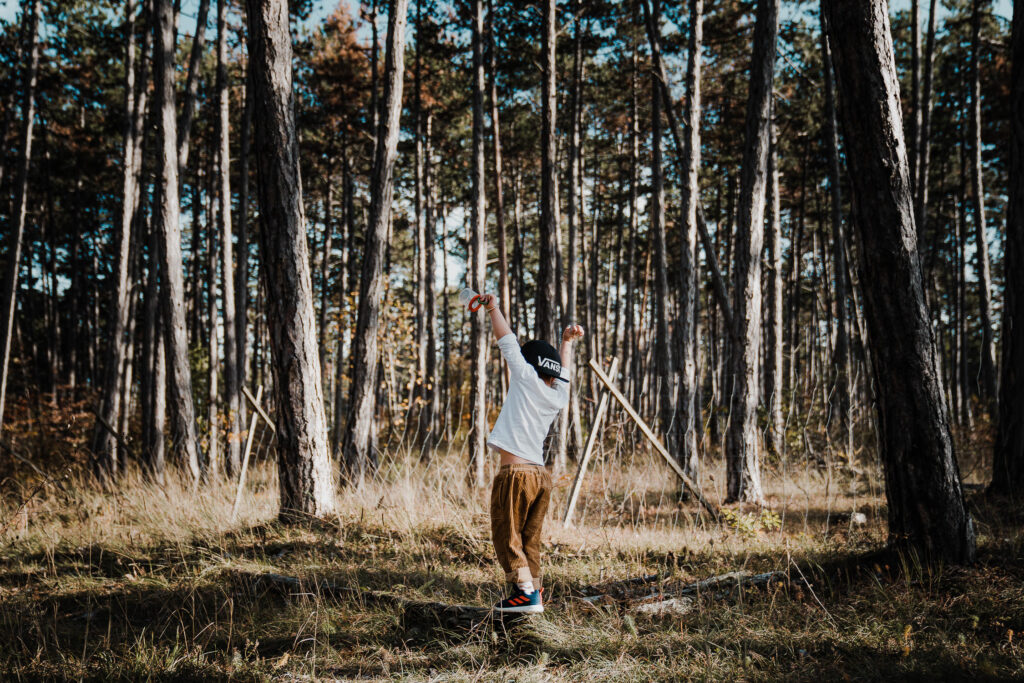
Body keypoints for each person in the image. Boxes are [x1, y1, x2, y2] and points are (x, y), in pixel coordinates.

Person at [473, 292, 584, 614]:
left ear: (529, 365)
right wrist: (567, 343)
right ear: (552, 371)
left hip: (516, 474)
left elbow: (506, 340)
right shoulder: (557, 397)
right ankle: (533, 591)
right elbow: (565, 375)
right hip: (540, 476)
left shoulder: (524, 378)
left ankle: (524, 594)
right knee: (530, 538)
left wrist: (493, 308)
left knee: (506, 535)